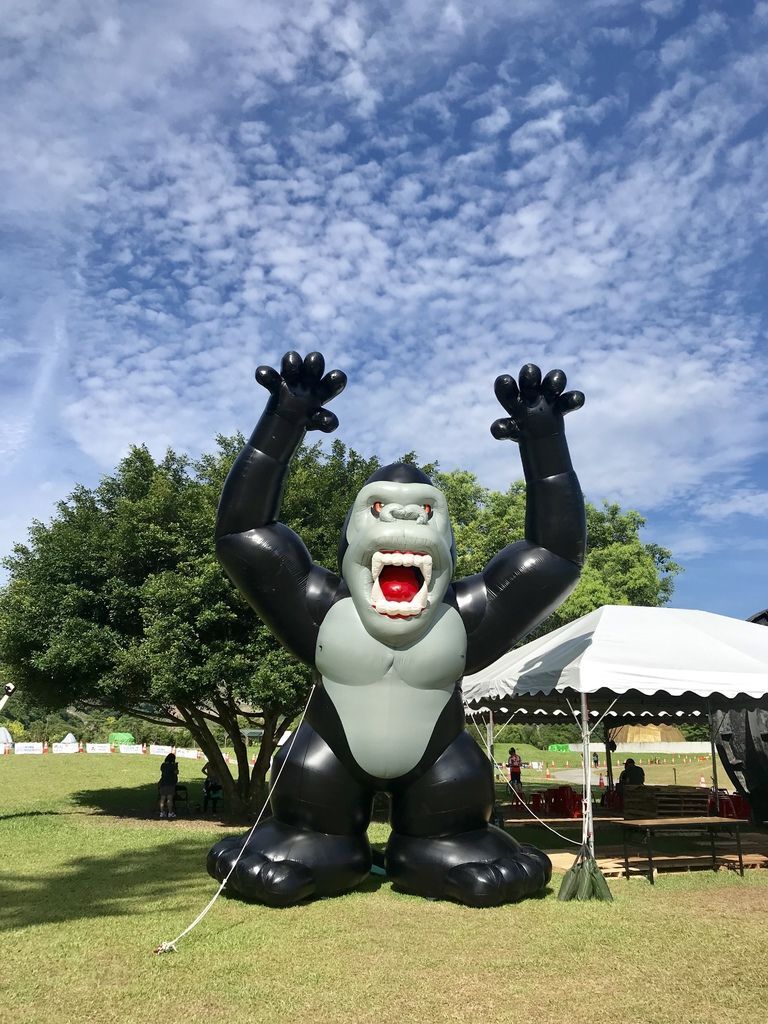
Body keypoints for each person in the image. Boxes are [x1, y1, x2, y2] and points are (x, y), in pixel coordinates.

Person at [158, 752, 178, 819]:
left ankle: (162, 812)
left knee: (162, 798)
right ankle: (170, 813)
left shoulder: (163, 765)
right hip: (170, 783)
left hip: (163, 783)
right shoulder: (173, 766)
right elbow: (176, 772)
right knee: (169, 798)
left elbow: (162, 770)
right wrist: (176, 767)